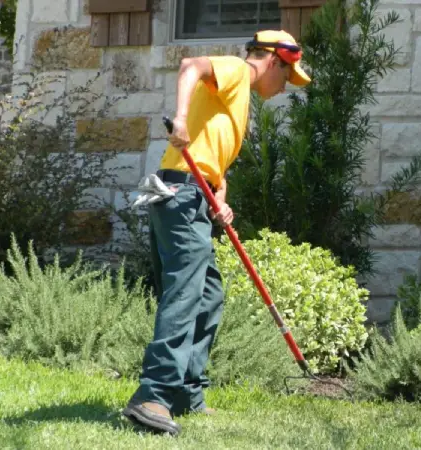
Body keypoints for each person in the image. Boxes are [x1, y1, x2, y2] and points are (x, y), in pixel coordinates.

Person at [122, 29, 311, 436]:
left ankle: (186, 392)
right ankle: (152, 396)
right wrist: (183, 120)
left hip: (191, 195)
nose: (285, 88)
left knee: (208, 294)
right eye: (287, 77)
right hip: (181, 195)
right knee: (186, 293)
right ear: (274, 60)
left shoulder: (238, 103)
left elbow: (212, 165)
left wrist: (220, 197)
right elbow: (190, 66)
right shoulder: (238, 72)